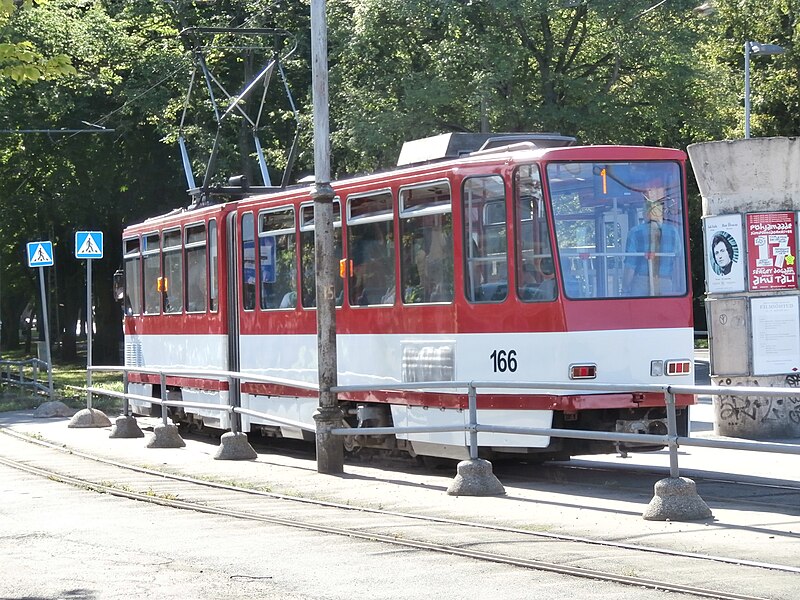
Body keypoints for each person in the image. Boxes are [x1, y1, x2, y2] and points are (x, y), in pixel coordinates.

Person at [623, 184, 682, 296]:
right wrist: (677, 285)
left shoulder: (635, 232)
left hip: (641, 282)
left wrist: (625, 287)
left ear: (645, 213)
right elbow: (678, 261)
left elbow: (630, 264)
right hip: (665, 282)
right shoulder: (673, 232)